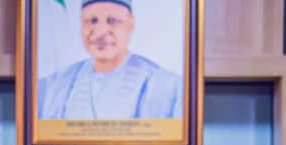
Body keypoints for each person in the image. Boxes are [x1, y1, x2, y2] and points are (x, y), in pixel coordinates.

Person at [38, 0, 181, 120]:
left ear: (130, 24)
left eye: (112, 21)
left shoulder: (166, 85)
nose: (100, 32)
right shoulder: (55, 85)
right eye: (92, 21)